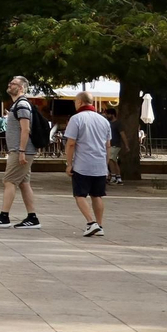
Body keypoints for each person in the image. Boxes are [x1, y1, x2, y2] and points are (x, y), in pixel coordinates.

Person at [0, 76, 41, 228]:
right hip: (21, 150)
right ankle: (32, 218)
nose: (9, 85)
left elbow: (26, 129)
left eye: (13, 83)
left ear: (21, 88)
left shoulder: (22, 105)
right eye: (10, 83)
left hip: (21, 150)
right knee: (24, 183)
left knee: (9, 181)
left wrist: (21, 151)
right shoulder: (18, 104)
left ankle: (4, 216)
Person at [64, 90, 112, 237]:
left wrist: (69, 163)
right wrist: (106, 163)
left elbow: (71, 143)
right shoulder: (104, 120)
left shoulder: (76, 119)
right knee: (97, 195)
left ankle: (91, 222)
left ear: (80, 102)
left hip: (82, 163)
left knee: (80, 195)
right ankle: (100, 225)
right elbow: (108, 145)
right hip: (99, 163)